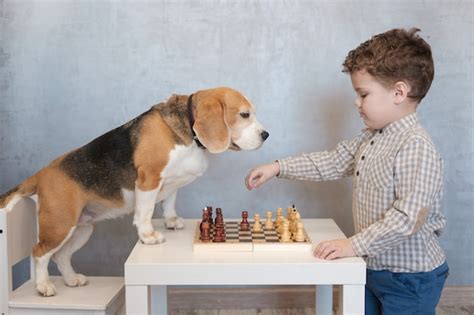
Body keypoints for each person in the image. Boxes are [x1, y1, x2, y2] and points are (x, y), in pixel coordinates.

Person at [244, 28, 449, 314]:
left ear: (399, 93)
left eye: (363, 94)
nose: (356, 102)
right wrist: (278, 167)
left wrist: (353, 245)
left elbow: (407, 219)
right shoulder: (371, 136)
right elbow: (332, 161)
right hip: (373, 266)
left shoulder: (416, 146)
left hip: (409, 278)